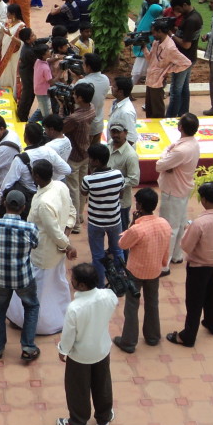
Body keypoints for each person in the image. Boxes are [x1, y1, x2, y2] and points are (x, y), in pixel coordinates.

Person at [8, 160, 76, 334]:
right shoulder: (60, 186)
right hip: (55, 250)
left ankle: (37, 323)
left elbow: (53, 231)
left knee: (37, 290)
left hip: (43, 253)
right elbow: (71, 212)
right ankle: (59, 315)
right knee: (57, 283)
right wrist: (66, 237)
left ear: (37, 176)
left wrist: (66, 245)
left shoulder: (45, 203)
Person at [166, 181, 213, 348]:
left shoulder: (199, 223)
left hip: (199, 266)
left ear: (203, 200)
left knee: (194, 301)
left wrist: (188, 230)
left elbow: (186, 246)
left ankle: (188, 336)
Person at [55, 263, 118, 425]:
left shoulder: (75, 308)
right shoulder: (109, 296)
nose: (71, 280)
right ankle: (104, 419)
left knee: (78, 389)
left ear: (81, 285)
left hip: (80, 356)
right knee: (102, 385)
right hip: (102, 350)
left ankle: (78, 422)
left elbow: (68, 335)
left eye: (73, 279)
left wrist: (63, 350)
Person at [0, 190, 41, 361]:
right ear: (24, 208)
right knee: (31, 307)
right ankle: (28, 347)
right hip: (23, 277)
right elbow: (35, 245)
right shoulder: (30, 228)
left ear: (4, 204)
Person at [113, 187, 171, 354]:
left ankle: (128, 342)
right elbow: (166, 247)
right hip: (154, 269)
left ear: (139, 205)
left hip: (136, 271)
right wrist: (163, 263)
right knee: (152, 302)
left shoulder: (137, 229)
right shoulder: (164, 224)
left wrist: (132, 223)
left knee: (131, 306)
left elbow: (122, 244)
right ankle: (153, 337)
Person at [155, 113, 201, 275]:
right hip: (182, 189)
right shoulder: (192, 144)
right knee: (179, 224)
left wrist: (166, 156)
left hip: (173, 191)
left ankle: (164, 265)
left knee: (170, 228)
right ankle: (176, 255)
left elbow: (160, 165)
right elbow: (167, 156)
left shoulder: (180, 150)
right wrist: (168, 155)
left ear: (180, 127)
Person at [81, 144, 125, 288]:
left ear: (97, 161)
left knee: (98, 256)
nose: (89, 161)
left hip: (96, 222)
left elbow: (84, 193)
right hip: (114, 219)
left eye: (91, 159)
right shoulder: (118, 175)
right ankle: (120, 280)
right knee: (118, 251)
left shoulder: (88, 180)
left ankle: (100, 285)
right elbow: (121, 193)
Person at [63, 83, 96, 232]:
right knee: (82, 187)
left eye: (75, 94)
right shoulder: (92, 109)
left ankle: (75, 223)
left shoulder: (75, 118)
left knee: (73, 190)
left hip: (74, 156)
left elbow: (62, 127)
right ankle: (80, 215)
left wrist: (61, 108)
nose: (73, 96)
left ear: (80, 98)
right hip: (86, 152)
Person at [143, 19, 191, 119]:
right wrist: (144, 48)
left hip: (158, 82)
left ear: (160, 31)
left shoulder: (170, 48)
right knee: (149, 110)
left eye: (154, 32)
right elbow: (150, 59)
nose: (153, 34)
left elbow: (186, 63)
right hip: (150, 80)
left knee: (158, 113)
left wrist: (168, 70)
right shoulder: (156, 43)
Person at [167, 0, 202, 118]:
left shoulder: (191, 21)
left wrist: (171, 34)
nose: (177, 13)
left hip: (183, 59)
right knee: (184, 88)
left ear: (185, 5)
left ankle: (170, 117)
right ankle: (183, 114)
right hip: (189, 58)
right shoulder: (194, 16)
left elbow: (186, 44)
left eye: (178, 9)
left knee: (176, 90)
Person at [106, 122, 140, 234]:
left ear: (125, 133)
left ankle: (124, 252)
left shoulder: (130, 155)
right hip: (109, 199)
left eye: (118, 132)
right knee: (111, 230)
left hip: (122, 202)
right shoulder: (110, 144)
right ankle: (112, 250)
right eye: (113, 132)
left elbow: (134, 179)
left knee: (122, 231)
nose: (115, 135)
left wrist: (115, 182)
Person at [79, 53, 109, 144]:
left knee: (84, 153)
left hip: (85, 125)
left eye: (83, 64)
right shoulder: (105, 78)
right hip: (99, 123)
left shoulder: (82, 83)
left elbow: (76, 99)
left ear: (89, 67)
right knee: (96, 151)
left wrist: (74, 80)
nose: (82, 66)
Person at [0, 3, 26, 91]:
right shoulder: (8, 22)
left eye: (8, 13)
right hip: (4, 50)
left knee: (11, 69)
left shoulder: (21, 26)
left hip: (14, 53)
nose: (7, 15)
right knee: (4, 69)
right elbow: (3, 35)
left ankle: (13, 92)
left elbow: (22, 43)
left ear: (14, 14)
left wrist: (11, 35)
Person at [108, 77, 138, 146]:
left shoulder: (126, 112)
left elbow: (131, 138)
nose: (111, 88)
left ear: (120, 92)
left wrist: (118, 151)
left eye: (114, 87)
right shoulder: (116, 103)